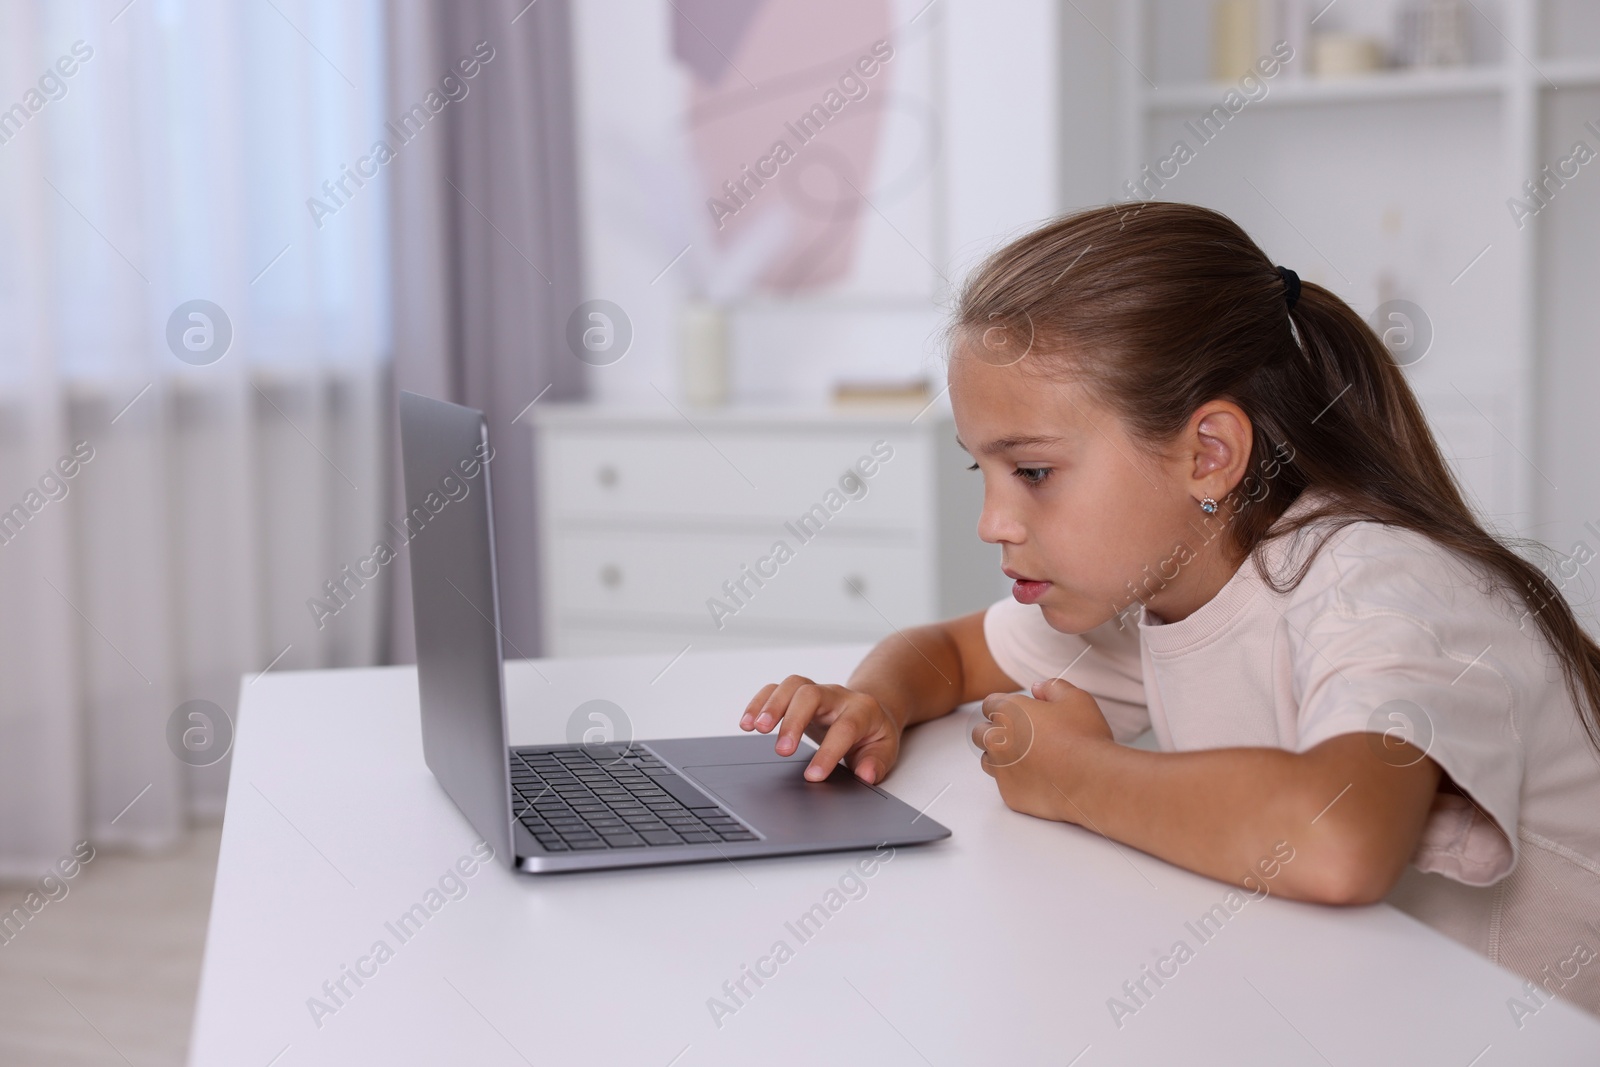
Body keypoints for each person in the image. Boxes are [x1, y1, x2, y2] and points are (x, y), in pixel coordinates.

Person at [738, 202, 1600, 1018]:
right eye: (983, 472)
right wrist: (875, 700)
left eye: (1032, 471)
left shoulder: (1381, 587)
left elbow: (1340, 843)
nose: (993, 523)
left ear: (1209, 454)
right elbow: (951, 655)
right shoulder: (1166, 586)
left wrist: (1073, 775)